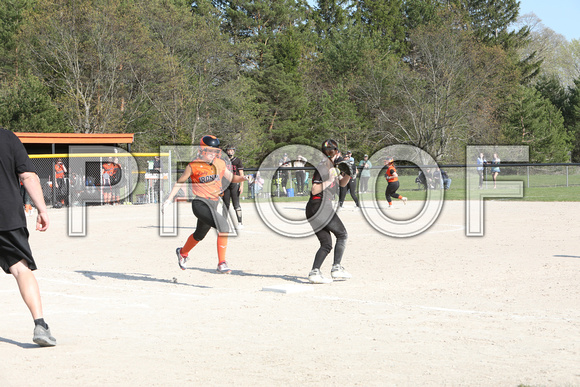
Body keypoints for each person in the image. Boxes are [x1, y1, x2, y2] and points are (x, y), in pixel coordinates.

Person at [0, 128, 56, 347]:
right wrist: (42, 209)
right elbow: (28, 176)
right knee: (21, 268)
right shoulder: (7, 137)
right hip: (7, 215)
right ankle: (40, 324)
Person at [163, 135, 248, 274]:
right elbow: (180, 182)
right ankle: (222, 263)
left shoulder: (219, 163)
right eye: (209, 151)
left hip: (214, 203)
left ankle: (182, 252)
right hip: (200, 203)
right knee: (224, 226)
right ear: (202, 150)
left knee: (199, 235)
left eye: (215, 151)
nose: (212, 154)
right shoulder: (193, 165)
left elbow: (232, 178)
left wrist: (243, 178)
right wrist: (169, 199)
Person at [305, 139, 352, 284]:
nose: (331, 154)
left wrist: (349, 175)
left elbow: (341, 183)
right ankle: (336, 268)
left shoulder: (332, 166)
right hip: (320, 205)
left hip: (314, 208)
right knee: (342, 234)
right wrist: (330, 178)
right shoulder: (323, 167)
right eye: (328, 152)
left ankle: (314, 272)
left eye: (332, 151)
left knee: (326, 244)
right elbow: (314, 190)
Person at [222, 145, 244, 227]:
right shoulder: (223, 161)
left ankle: (239, 222)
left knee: (236, 204)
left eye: (231, 150)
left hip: (234, 183)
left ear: (234, 151)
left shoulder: (237, 161)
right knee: (225, 204)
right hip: (225, 183)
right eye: (228, 150)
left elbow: (241, 174)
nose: (230, 152)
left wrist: (242, 185)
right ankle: (224, 222)